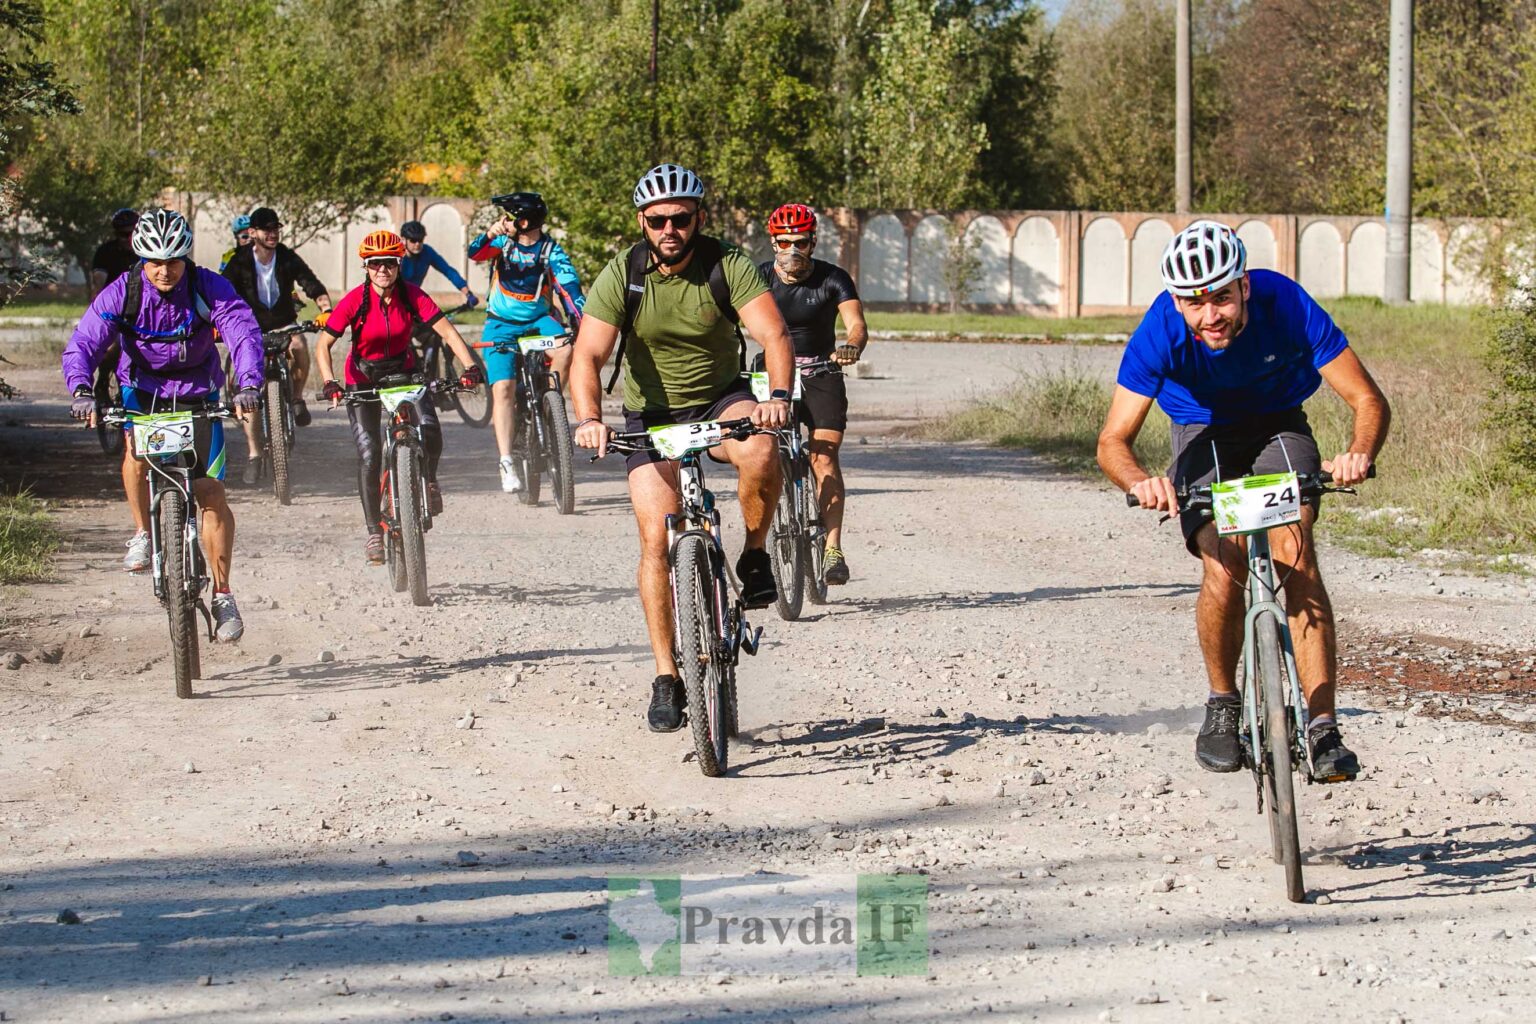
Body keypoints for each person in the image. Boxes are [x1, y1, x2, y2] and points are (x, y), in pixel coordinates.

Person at [1096, 220, 1390, 782]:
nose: (1212, 317)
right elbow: (1113, 441)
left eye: (1223, 298)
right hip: (1199, 430)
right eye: (1194, 304)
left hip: (1277, 425)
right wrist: (1139, 482)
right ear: (1177, 302)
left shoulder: (1286, 302)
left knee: (1296, 554)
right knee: (1224, 564)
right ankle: (1223, 703)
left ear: (1245, 287)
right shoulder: (1159, 330)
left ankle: (1324, 725)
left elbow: (1366, 398)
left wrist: (1357, 452)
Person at [570, 164, 794, 734]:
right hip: (651, 416)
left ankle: (754, 554)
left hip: (722, 399)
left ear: (698, 218)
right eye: (656, 220)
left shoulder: (727, 264)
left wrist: (780, 397)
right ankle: (668, 675)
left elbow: (773, 335)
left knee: (762, 450)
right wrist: (590, 419)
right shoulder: (624, 272)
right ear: (642, 221)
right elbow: (588, 356)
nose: (669, 229)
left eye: (680, 218)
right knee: (654, 539)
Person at [62, 209, 265, 642]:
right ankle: (142, 531)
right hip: (143, 392)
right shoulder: (124, 291)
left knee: (210, 492)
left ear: (185, 257)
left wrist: (248, 383)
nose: (164, 270)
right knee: (136, 456)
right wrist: (80, 388)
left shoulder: (208, 285)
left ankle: (224, 592)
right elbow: (85, 340)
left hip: (198, 392)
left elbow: (242, 332)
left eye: (173, 260)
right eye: (154, 261)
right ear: (140, 257)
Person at [314, 231, 484, 565]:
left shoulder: (412, 295)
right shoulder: (355, 300)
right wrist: (330, 382)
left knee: (432, 429)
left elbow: (447, 331)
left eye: (389, 263)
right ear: (366, 266)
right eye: (375, 264)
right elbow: (323, 345)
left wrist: (470, 368)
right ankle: (373, 533)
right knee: (369, 455)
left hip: (405, 372)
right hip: (363, 377)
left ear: (398, 264)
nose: (383, 270)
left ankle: (430, 481)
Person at [757, 202, 869, 586]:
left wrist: (851, 346)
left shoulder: (832, 278)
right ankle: (761, 542)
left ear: (813, 241)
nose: (792, 252)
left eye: (801, 243)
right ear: (773, 243)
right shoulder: (757, 279)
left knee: (824, 457)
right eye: (784, 243)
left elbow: (856, 324)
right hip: (771, 372)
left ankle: (832, 548)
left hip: (822, 369)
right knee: (760, 455)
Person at [467, 192, 585, 493]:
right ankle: (506, 461)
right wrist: (489, 234)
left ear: (524, 221)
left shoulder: (550, 250)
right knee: (503, 388)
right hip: (500, 323)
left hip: (539, 319)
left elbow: (569, 286)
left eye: (510, 216)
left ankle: (550, 402)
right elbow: (474, 253)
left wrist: (582, 319)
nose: (504, 221)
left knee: (565, 348)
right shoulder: (501, 244)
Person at [220, 206, 334, 483]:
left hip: (284, 321)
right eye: (266, 229)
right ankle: (254, 454)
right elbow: (221, 291)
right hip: (251, 327)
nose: (272, 234)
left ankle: (295, 398)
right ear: (253, 233)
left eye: (276, 229)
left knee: (299, 346)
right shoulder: (239, 260)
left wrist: (326, 308)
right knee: (247, 388)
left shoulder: (286, 256)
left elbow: (310, 282)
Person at [399, 220, 477, 308]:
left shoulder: (427, 252)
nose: (417, 244)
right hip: (394, 299)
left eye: (420, 240)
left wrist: (468, 293)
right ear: (403, 240)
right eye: (413, 240)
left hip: (413, 299)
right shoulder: (396, 255)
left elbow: (448, 271)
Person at [90, 208, 140, 295]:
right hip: (114, 300)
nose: (129, 239)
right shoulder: (105, 252)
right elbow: (99, 285)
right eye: (124, 235)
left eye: (133, 234)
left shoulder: (148, 251)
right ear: (116, 234)